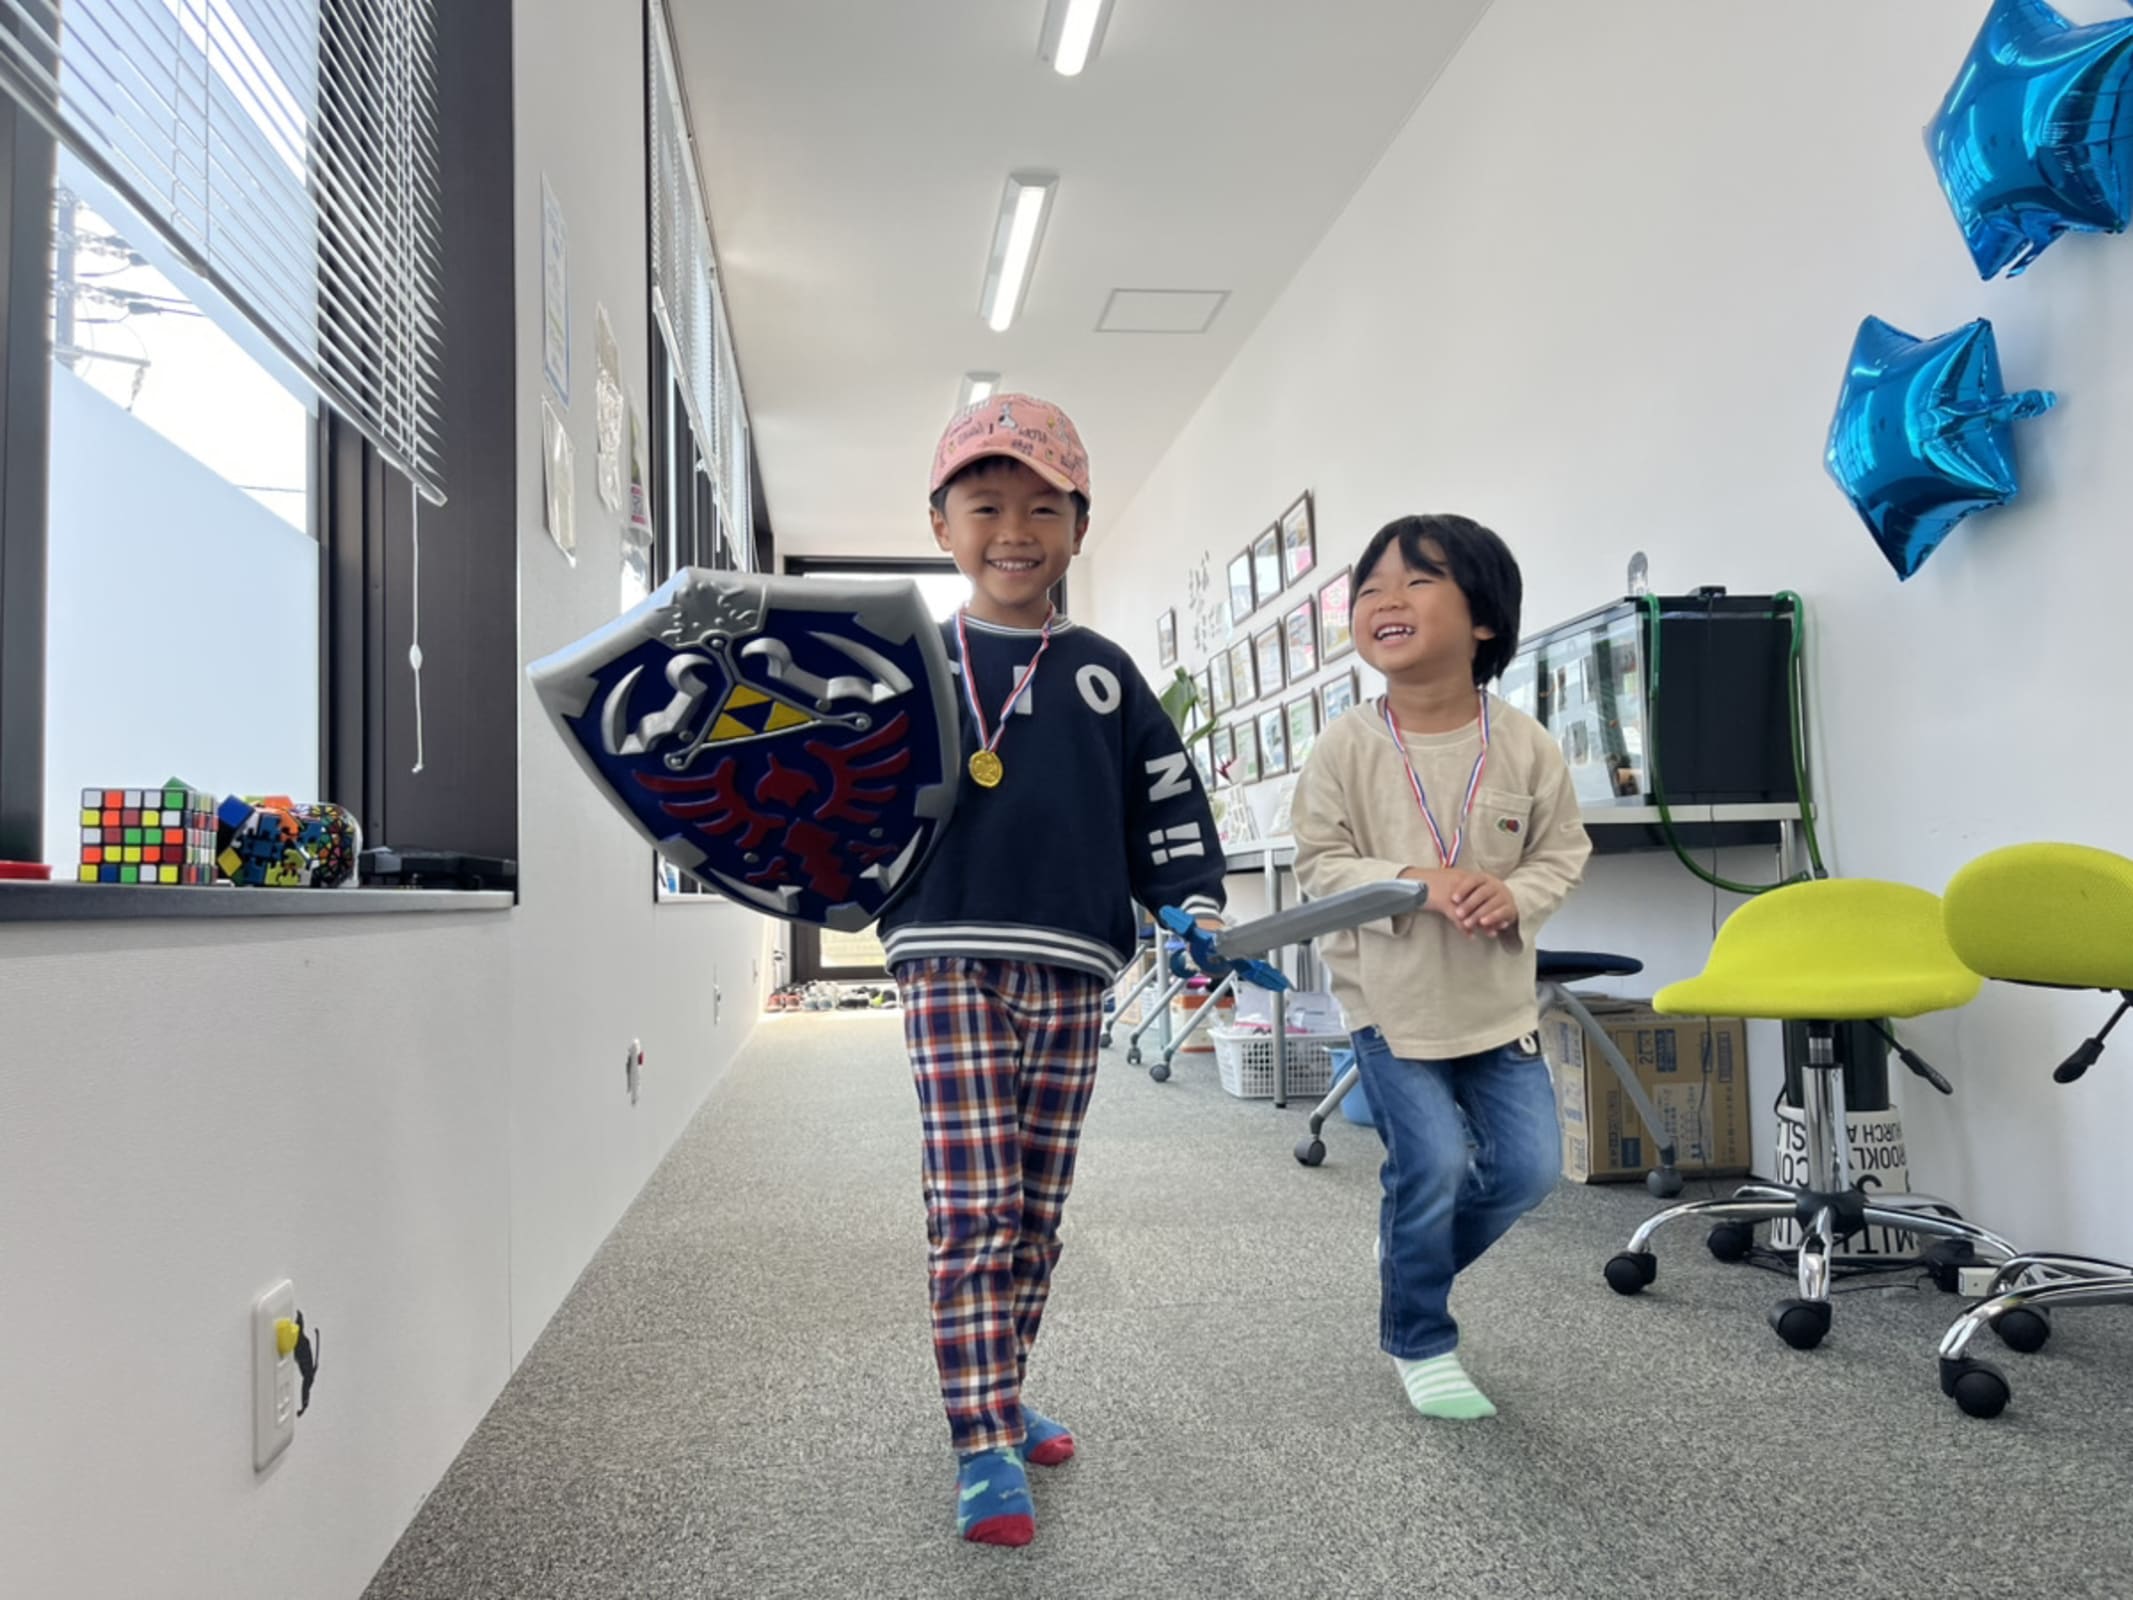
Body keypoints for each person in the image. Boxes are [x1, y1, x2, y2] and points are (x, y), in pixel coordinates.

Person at [877, 395, 1228, 1544]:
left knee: (1034, 1206)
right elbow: (838, 796)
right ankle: (980, 1435)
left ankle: (1003, 1383)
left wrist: (1193, 904)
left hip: (1075, 961)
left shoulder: (1102, 674)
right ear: (941, 525)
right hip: (946, 951)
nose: (1014, 531)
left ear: (1079, 524)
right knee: (974, 1202)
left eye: (1042, 507)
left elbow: (1164, 802)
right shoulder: (910, 665)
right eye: (986, 506)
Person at [1290, 513, 1591, 1420]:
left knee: (1528, 1171)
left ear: (1483, 619)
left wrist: (1517, 895)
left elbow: (1560, 851)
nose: (1386, 599)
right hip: (1389, 1002)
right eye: (1370, 587)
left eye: (1418, 581)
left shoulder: (1525, 744)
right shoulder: (1346, 745)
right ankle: (1419, 1335)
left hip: (1495, 1003)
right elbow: (1319, 864)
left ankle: (1406, 1260)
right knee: (1430, 1168)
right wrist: (1413, 882)